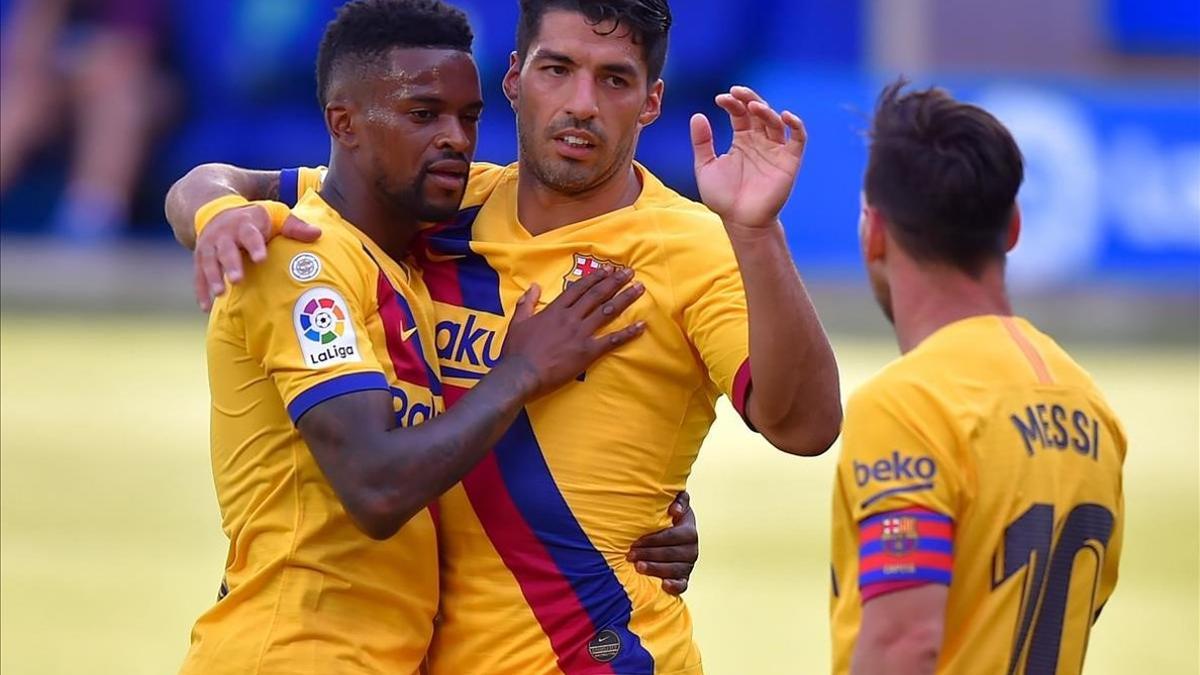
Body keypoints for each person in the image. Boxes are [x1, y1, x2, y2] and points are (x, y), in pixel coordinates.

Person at [165, 1, 843, 671]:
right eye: (558, 69)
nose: (581, 103)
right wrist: (217, 211)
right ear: (515, 78)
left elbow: (807, 425)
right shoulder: (439, 200)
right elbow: (219, 183)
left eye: (613, 79)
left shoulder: (693, 247)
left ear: (651, 100)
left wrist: (756, 233)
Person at [178, 2, 650, 673]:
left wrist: (631, 519)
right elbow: (375, 486)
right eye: (423, 115)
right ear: (344, 125)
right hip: (293, 652)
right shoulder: (301, 258)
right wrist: (519, 373)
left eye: (469, 117)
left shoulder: (406, 259)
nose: (456, 138)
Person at [829, 81, 1126, 675]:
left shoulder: (907, 404)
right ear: (1014, 227)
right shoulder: (1091, 407)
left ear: (875, 231)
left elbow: (904, 643)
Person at [0, 0, 174, 239]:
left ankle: (87, 229)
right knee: (20, 101)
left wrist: (77, 65)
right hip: (61, 85)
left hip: (147, 88)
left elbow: (128, 56)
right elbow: (24, 60)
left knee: (118, 102)